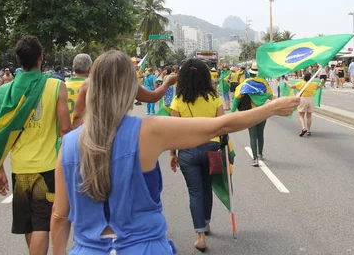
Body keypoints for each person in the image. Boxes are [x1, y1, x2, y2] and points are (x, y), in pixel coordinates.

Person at [50, 51, 299, 254]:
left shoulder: (69, 144)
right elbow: (221, 125)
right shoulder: (148, 131)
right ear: (131, 88)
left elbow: (60, 217)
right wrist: (272, 108)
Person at [0, 36, 72, 255]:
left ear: (18, 60)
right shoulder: (56, 86)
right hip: (47, 167)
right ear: (41, 57)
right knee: (42, 224)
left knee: (29, 225)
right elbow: (65, 129)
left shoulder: (4, 92)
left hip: (20, 168)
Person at [168, 59, 225, 251]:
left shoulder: (178, 100)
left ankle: (200, 235)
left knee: (195, 192)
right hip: (211, 149)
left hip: (188, 150)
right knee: (207, 187)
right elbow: (223, 125)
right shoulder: (215, 98)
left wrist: (172, 154)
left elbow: (174, 131)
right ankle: (207, 222)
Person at [235, 62, 273, 166]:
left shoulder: (245, 83)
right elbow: (270, 97)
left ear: (250, 72)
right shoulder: (264, 83)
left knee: (253, 136)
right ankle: (260, 154)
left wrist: (233, 111)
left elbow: (238, 96)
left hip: (251, 113)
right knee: (260, 134)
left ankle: (255, 159)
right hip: (262, 113)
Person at [290, 72, 325, 137]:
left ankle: (303, 128)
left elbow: (291, 87)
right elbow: (319, 86)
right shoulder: (313, 84)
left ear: (304, 77)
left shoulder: (300, 83)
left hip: (303, 99)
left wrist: (286, 82)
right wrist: (322, 81)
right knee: (309, 115)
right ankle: (308, 131)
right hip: (311, 99)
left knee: (301, 115)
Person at [66, 54, 92, 128]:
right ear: (90, 69)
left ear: (73, 68)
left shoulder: (62, 86)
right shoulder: (93, 88)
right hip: (84, 131)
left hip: (65, 131)